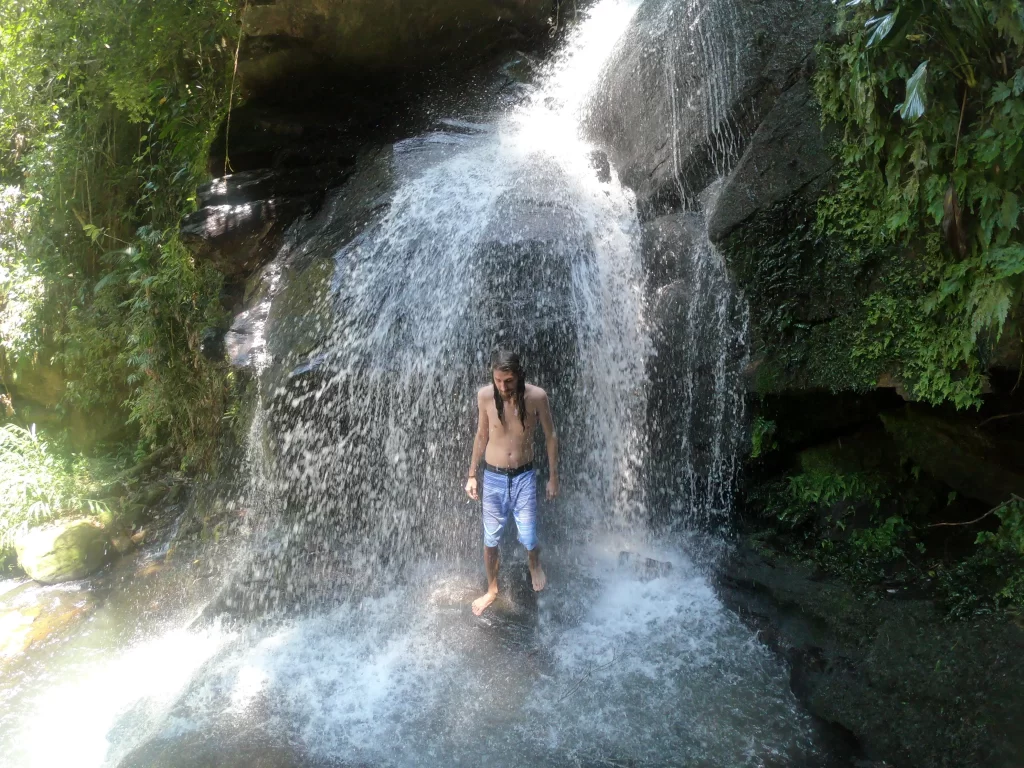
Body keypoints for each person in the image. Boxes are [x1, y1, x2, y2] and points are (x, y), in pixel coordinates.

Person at [465, 350, 558, 615]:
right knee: (490, 539)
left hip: (524, 477)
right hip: (493, 477)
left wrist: (554, 477)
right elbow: (481, 435)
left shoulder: (537, 397)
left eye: (508, 381)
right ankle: (492, 589)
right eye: (498, 381)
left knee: (529, 536)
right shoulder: (484, 396)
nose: (503, 387)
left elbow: (551, 436)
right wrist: (472, 474)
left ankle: (534, 564)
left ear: (519, 376)